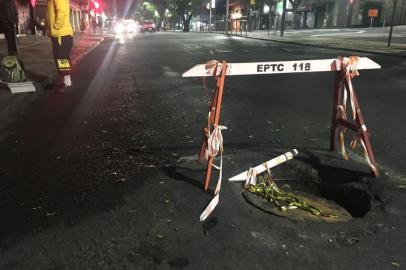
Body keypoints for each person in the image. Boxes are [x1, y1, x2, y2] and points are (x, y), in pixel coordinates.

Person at [46, 0, 73, 89]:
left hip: (61, 33)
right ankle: (64, 80)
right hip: (59, 33)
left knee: (62, 58)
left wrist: (56, 26)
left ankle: (66, 81)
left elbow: (62, 11)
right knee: (60, 57)